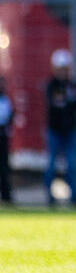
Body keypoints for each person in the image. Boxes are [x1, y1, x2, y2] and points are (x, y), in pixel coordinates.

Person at [45, 49, 76, 207]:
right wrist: (67, 102)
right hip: (54, 130)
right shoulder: (51, 85)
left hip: (70, 130)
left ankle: (74, 198)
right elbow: (56, 105)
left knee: (72, 164)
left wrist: (66, 102)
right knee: (51, 165)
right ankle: (50, 198)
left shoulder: (73, 85)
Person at [0, 76, 14, 204]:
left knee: (4, 167)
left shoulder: (6, 100)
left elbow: (10, 117)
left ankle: (6, 196)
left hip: (3, 138)